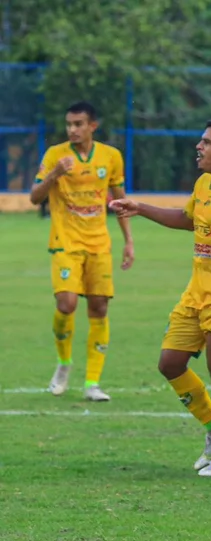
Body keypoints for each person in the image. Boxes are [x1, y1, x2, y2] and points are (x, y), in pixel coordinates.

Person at [110, 120, 211, 476]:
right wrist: (139, 207)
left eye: (206, 142)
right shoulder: (203, 184)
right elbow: (187, 220)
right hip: (196, 292)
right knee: (170, 363)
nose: (198, 147)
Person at [30, 101, 134, 403]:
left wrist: (128, 240)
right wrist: (54, 175)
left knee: (99, 307)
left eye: (78, 124)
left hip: (99, 243)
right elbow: (35, 198)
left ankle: (92, 383)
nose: (72, 130)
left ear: (92, 126)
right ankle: (63, 365)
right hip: (66, 241)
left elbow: (120, 202)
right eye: (69, 124)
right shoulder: (55, 155)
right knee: (66, 304)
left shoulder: (111, 157)